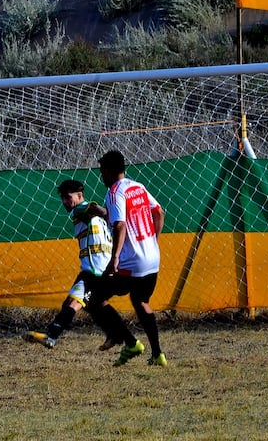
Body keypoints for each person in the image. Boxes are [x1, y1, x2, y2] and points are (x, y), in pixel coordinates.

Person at [85, 150, 167, 367]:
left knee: (91, 299)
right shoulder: (137, 187)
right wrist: (152, 241)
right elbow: (159, 213)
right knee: (141, 301)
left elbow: (120, 225)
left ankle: (129, 343)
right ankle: (158, 355)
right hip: (152, 258)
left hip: (131, 262)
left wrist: (115, 258)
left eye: (102, 171)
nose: (101, 176)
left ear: (110, 171)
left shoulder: (114, 192)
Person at [25, 180, 113, 350]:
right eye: (63, 198)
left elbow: (95, 209)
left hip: (95, 270)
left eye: (68, 197)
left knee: (74, 302)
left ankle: (51, 336)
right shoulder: (93, 219)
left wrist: (106, 213)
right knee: (90, 305)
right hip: (100, 268)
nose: (65, 202)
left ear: (79, 195)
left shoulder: (81, 209)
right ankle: (123, 338)